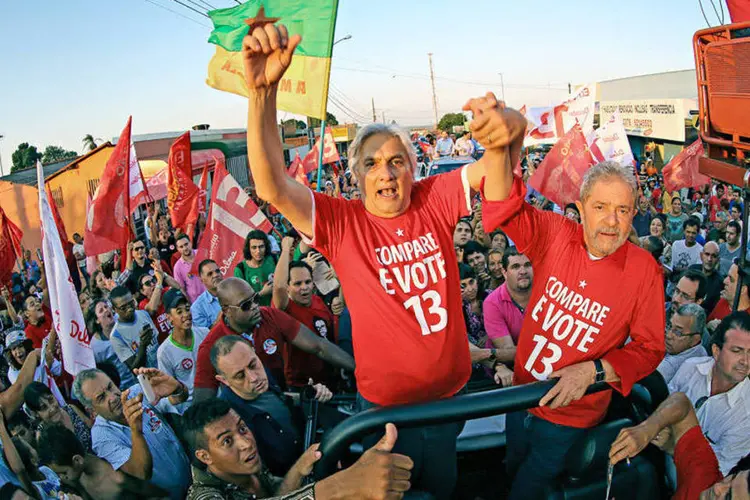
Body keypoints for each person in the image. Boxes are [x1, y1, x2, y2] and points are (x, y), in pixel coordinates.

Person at [242, 22, 524, 498]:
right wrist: (262, 95)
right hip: (388, 411)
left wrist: (507, 126)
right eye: (371, 163)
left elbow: (495, 169)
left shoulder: (434, 199)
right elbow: (271, 185)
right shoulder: (342, 222)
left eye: (396, 160)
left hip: (448, 402)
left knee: (445, 486)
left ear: (414, 169)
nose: (386, 172)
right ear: (355, 176)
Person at [481, 160, 665, 499]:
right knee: (510, 469)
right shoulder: (555, 233)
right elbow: (502, 206)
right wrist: (499, 150)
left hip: (568, 419)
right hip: (519, 399)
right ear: (580, 209)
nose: (612, 221)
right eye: (600, 207)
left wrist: (595, 371)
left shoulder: (644, 271)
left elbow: (650, 347)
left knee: (528, 490)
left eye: (622, 210)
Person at [183, 398, 414, 500]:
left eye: (242, 429)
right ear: (204, 456)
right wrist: (343, 485)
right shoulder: (203, 495)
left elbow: (279, 496)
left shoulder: (246, 468)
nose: (245, 443)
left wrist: (301, 467)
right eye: (226, 441)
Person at [194, 278, 355, 401]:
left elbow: (318, 346)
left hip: (282, 399)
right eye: (245, 305)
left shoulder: (269, 316)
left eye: (255, 299)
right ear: (226, 310)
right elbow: (203, 403)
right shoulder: (210, 347)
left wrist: (358, 370)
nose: (255, 306)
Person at [211, 335, 333, 476]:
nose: (254, 378)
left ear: (254, 352)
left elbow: (281, 399)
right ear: (224, 381)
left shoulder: (265, 377)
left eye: (253, 365)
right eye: (240, 376)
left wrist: (310, 395)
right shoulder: (231, 421)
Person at [73, 367, 191, 499]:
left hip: (192, 478)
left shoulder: (136, 393)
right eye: (101, 397)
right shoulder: (101, 438)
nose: (112, 397)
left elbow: (178, 399)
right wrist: (136, 431)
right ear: (92, 411)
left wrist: (177, 389)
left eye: (110, 387)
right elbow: (139, 473)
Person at [608, 392, 742, 500]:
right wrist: (647, 429)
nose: (718, 487)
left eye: (728, 497)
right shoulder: (706, 480)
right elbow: (681, 403)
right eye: (732, 478)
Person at [668, 311, 750, 475]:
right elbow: (663, 407)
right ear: (716, 351)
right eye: (737, 351)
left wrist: (673, 446)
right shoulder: (690, 367)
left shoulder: (747, 413)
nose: (746, 361)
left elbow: (715, 471)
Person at [271, 237, 342, 389]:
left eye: (308, 282)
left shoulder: (318, 301)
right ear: (288, 287)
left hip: (329, 381)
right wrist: (285, 250)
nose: (304, 288)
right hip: (301, 385)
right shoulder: (285, 308)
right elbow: (278, 287)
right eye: (297, 284)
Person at [36, 423, 167, 500]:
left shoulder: (116, 478)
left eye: (63, 472)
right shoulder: (76, 477)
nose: (61, 478)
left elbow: (159, 496)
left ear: (77, 460)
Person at [156, 289, 209, 404]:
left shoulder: (204, 333)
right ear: (169, 317)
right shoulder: (164, 352)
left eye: (187, 309)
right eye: (179, 312)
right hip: (191, 406)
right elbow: (170, 391)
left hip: (214, 395)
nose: (186, 314)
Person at [483, 248, 532, 351]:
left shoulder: (547, 292)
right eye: (515, 267)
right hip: (506, 365)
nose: (523, 271)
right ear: (504, 272)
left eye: (528, 265)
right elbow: (507, 350)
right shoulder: (492, 303)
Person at [23, 381, 93, 451]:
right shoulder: (42, 437)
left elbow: (91, 427)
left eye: (51, 400)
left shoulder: (71, 409)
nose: (52, 408)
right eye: (44, 407)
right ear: (36, 414)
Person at [85, 299, 137, 390]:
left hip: (142, 373)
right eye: (101, 310)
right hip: (125, 388)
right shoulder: (95, 347)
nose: (106, 310)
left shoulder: (122, 319)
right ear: (97, 320)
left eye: (106, 307)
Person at [4, 330, 65, 406]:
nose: (18, 352)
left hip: (59, 403)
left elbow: (59, 370)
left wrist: (56, 357)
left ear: (26, 346)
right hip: (40, 411)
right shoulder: (12, 372)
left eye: (20, 346)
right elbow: (31, 391)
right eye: (14, 349)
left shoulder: (39, 354)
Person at [109, 286, 159, 370]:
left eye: (131, 303)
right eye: (123, 308)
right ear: (114, 309)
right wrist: (143, 345)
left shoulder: (143, 314)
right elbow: (134, 368)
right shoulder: (116, 336)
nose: (129, 309)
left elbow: (158, 341)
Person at [657, 304, 708, 384]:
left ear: (695, 339)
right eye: (669, 326)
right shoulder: (701, 349)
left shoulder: (667, 367)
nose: (668, 335)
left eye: (678, 332)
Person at [234, 230, 276, 307]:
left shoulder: (274, 258)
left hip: (277, 310)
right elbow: (241, 302)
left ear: (266, 246)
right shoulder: (240, 269)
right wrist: (261, 293)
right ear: (248, 249)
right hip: (257, 314)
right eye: (254, 247)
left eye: (261, 246)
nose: (258, 251)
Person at [689, 241, 723, 315]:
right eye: (707, 254)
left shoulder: (719, 282)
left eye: (713, 256)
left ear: (718, 259)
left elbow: (714, 311)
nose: (709, 259)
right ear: (701, 255)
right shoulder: (692, 270)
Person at [137, 271, 172, 344]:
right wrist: (159, 282)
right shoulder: (142, 304)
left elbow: (180, 288)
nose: (152, 284)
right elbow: (152, 309)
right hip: (166, 344)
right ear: (142, 291)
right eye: (147, 283)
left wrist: (163, 274)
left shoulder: (165, 291)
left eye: (153, 280)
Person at [172, 233, 206, 303]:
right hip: (196, 302)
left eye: (186, 244)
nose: (185, 248)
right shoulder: (177, 267)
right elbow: (182, 289)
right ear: (178, 249)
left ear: (190, 243)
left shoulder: (203, 253)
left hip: (212, 295)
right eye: (181, 247)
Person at [191, 259, 223, 329]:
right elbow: (205, 335)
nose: (216, 275)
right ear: (201, 280)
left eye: (217, 271)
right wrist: (220, 320)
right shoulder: (197, 308)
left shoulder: (234, 289)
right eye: (210, 274)